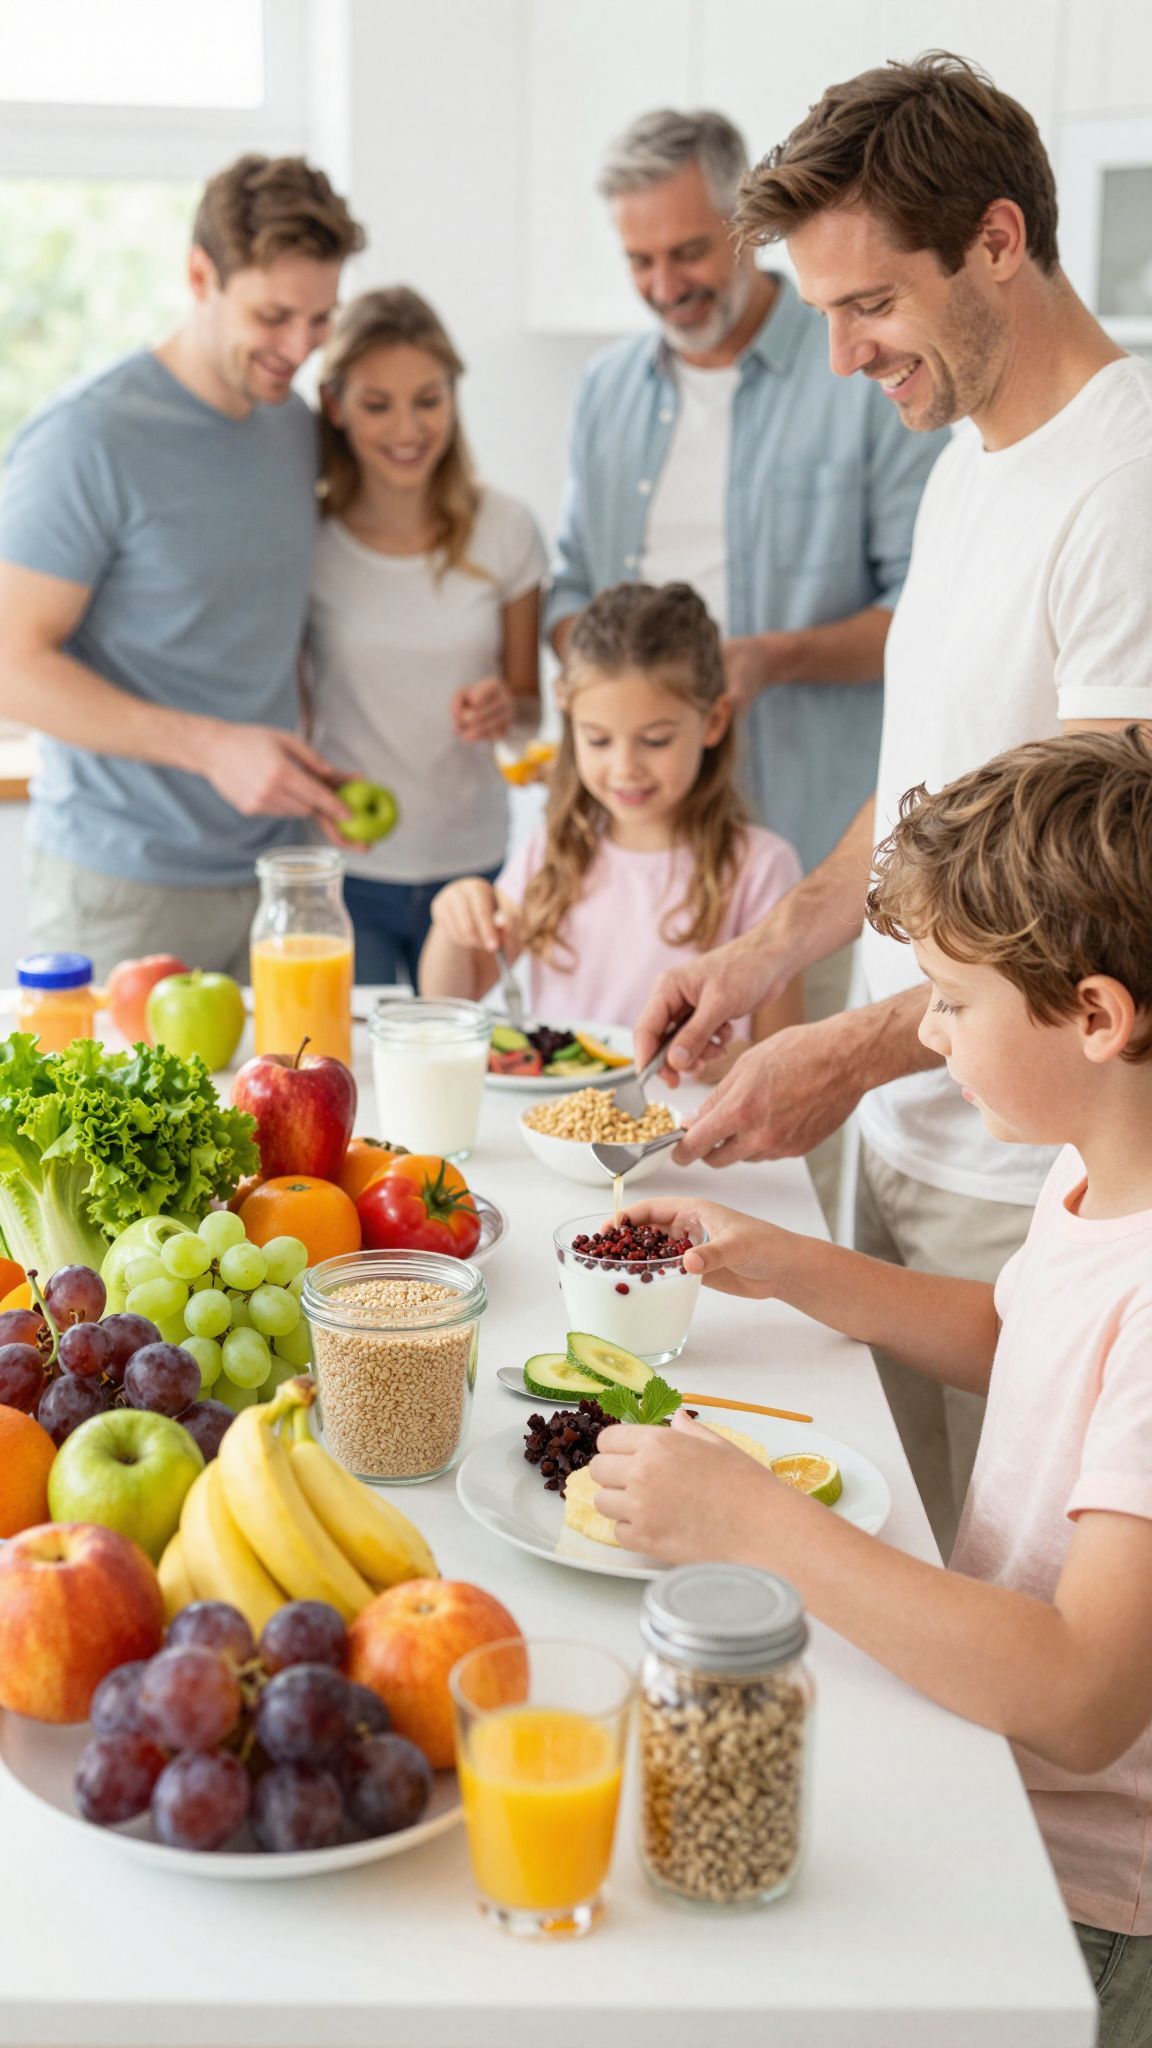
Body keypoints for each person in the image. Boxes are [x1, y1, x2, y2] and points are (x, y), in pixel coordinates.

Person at [633, 54, 1152, 1550]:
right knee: (898, 1555)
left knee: (999, 1636)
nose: (852, 358)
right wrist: (768, 953)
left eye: (873, 305)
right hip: (915, 1135)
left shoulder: (1123, 493)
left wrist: (844, 1059)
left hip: (1042, 1178)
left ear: (998, 241)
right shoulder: (972, 459)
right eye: (830, 317)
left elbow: (1093, 899)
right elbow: (930, 796)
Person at [596, 731, 1152, 2046]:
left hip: (1081, 1901)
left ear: (1095, 1015)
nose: (932, 1036)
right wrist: (787, 1265)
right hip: (992, 1777)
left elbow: (1083, 1697)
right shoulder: (1094, 1181)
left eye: (951, 1005)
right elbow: (1021, 1339)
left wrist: (757, 1527)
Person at [546, 107, 945, 890]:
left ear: (747, 229)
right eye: (640, 261)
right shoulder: (605, 390)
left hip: (812, 846)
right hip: (636, 851)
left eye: (689, 252)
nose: (665, 287)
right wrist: (604, 678)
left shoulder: (864, 372)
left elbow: (925, 611)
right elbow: (571, 588)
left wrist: (771, 657)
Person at [0, 154, 365, 978]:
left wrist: (310, 777)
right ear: (200, 274)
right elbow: (8, 664)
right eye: (273, 315)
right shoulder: (86, 439)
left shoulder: (292, 427)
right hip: (125, 892)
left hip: (281, 880)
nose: (299, 347)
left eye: (319, 319)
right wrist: (212, 749)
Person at [419, 581, 802, 1047]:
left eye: (656, 740)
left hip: (693, 1118)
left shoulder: (760, 867)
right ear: (567, 713)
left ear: (715, 720)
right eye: (598, 740)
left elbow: (781, 1057)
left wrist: (701, 1056)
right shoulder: (555, 848)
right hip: (556, 1120)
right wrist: (452, 919)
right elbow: (448, 998)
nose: (625, 769)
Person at [307, 287, 547, 986]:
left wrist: (508, 708)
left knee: (473, 1072)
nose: (408, 428)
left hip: (473, 863)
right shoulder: (308, 540)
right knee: (351, 1079)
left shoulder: (506, 529)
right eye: (378, 404)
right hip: (346, 869)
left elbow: (529, 709)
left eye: (428, 399)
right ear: (337, 405)